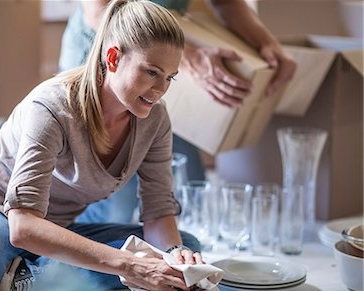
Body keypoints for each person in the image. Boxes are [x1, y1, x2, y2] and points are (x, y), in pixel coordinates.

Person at [0, 0, 203, 291]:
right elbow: (22, 226)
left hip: (51, 226)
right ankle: (35, 274)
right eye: (152, 72)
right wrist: (128, 265)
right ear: (113, 58)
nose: (161, 88)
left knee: (185, 250)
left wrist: (175, 255)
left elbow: (158, 214)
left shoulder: (156, 119)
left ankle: (25, 278)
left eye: (169, 77)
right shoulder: (51, 106)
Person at [58, 0, 297, 224]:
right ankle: (72, 263)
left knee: (189, 194)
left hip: (166, 70)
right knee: (117, 206)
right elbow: (100, 11)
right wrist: (185, 57)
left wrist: (267, 42)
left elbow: (226, 2)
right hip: (112, 67)